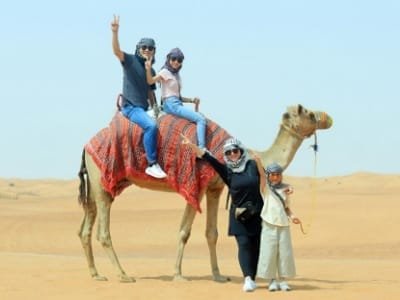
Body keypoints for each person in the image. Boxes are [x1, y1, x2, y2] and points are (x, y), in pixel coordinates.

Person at [181, 135, 265, 292]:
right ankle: (247, 278)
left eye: (235, 151)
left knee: (256, 247)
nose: (232, 154)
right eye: (229, 152)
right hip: (239, 215)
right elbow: (208, 157)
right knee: (244, 245)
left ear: (240, 151)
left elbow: (264, 181)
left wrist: (260, 164)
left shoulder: (252, 165)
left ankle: (252, 278)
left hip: (256, 212)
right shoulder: (227, 172)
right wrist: (192, 146)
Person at [111, 15, 167, 179]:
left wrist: (156, 108)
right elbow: (116, 51)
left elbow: (151, 92)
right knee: (151, 127)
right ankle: (152, 164)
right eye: (144, 47)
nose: (147, 50)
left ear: (154, 51)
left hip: (144, 107)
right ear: (138, 48)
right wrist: (115, 32)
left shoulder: (152, 71)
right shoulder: (129, 60)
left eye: (150, 48)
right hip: (131, 107)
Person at [145, 48, 207, 150]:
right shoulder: (164, 72)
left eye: (179, 60)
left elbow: (177, 96)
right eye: (173, 59)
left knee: (198, 117)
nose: (176, 62)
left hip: (176, 103)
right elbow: (150, 81)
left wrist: (192, 100)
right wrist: (148, 69)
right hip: (171, 105)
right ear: (169, 59)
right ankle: (202, 149)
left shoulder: (176, 75)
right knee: (201, 120)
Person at [257, 162, 301, 292]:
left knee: (284, 253)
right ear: (269, 175)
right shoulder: (265, 188)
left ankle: (283, 280)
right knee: (269, 252)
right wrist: (258, 162)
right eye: (273, 174)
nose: (275, 177)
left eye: (278, 174)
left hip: (283, 224)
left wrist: (293, 217)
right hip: (269, 224)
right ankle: (272, 281)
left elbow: (286, 208)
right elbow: (261, 176)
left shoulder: (285, 189)